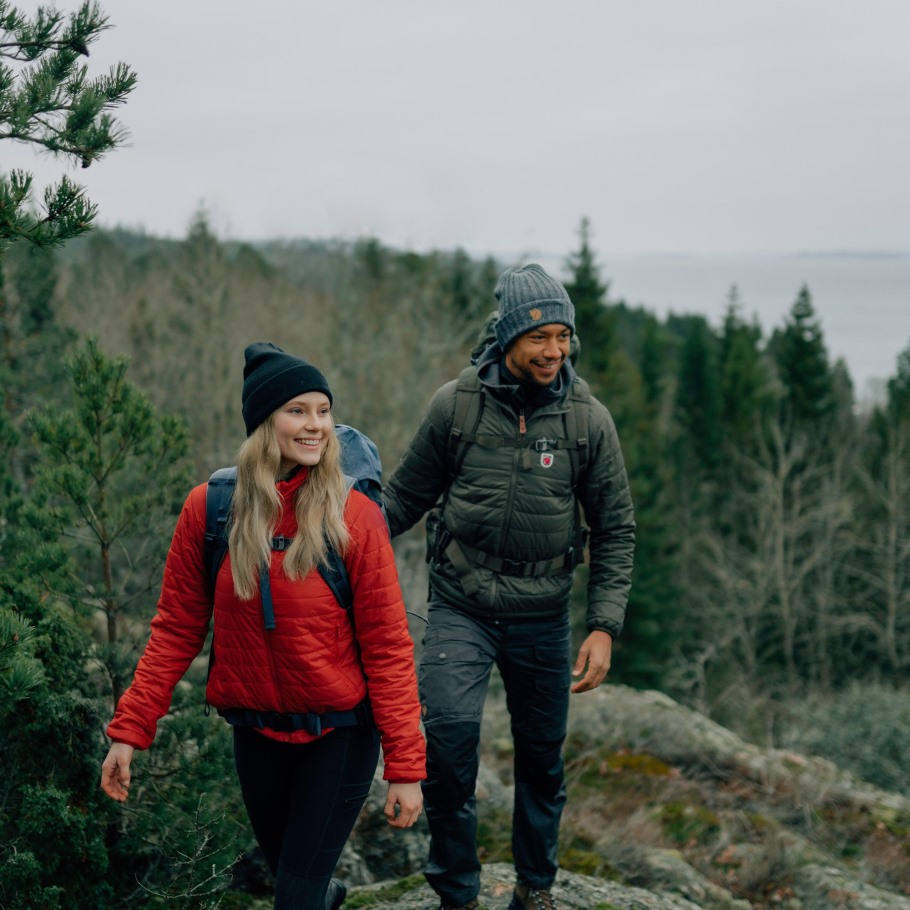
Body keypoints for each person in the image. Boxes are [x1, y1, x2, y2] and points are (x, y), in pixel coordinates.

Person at [101, 343, 425, 910]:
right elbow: (176, 629)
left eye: (323, 410)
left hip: (339, 734)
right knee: (299, 887)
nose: (316, 425)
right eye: (297, 410)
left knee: (293, 899)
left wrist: (405, 767)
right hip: (256, 734)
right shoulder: (210, 510)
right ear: (262, 422)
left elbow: (387, 646)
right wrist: (130, 730)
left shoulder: (354, 516)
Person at [383, 264, 635, 910]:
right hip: (460, 604)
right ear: (507, 339)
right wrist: (332, 546)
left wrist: (603, 626)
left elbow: (615, 529)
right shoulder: (457, 406)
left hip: (543, 613)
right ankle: (457, 893)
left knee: (542, 759)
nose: (555, 351)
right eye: (539, 338)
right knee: (448, 742)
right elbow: (401, 500)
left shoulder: (588, 422)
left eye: (563, 337)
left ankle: (535, 887)